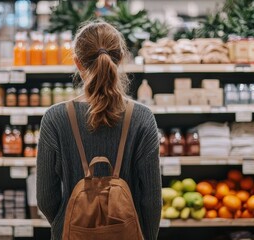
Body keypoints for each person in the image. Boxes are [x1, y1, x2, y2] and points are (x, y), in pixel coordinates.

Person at [36, 20, 162, 240]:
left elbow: (46, 197)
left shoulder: (55, 118)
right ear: (120, 58)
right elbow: (151, 199)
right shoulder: (142, 117)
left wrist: (63, 225)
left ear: (77, 62)